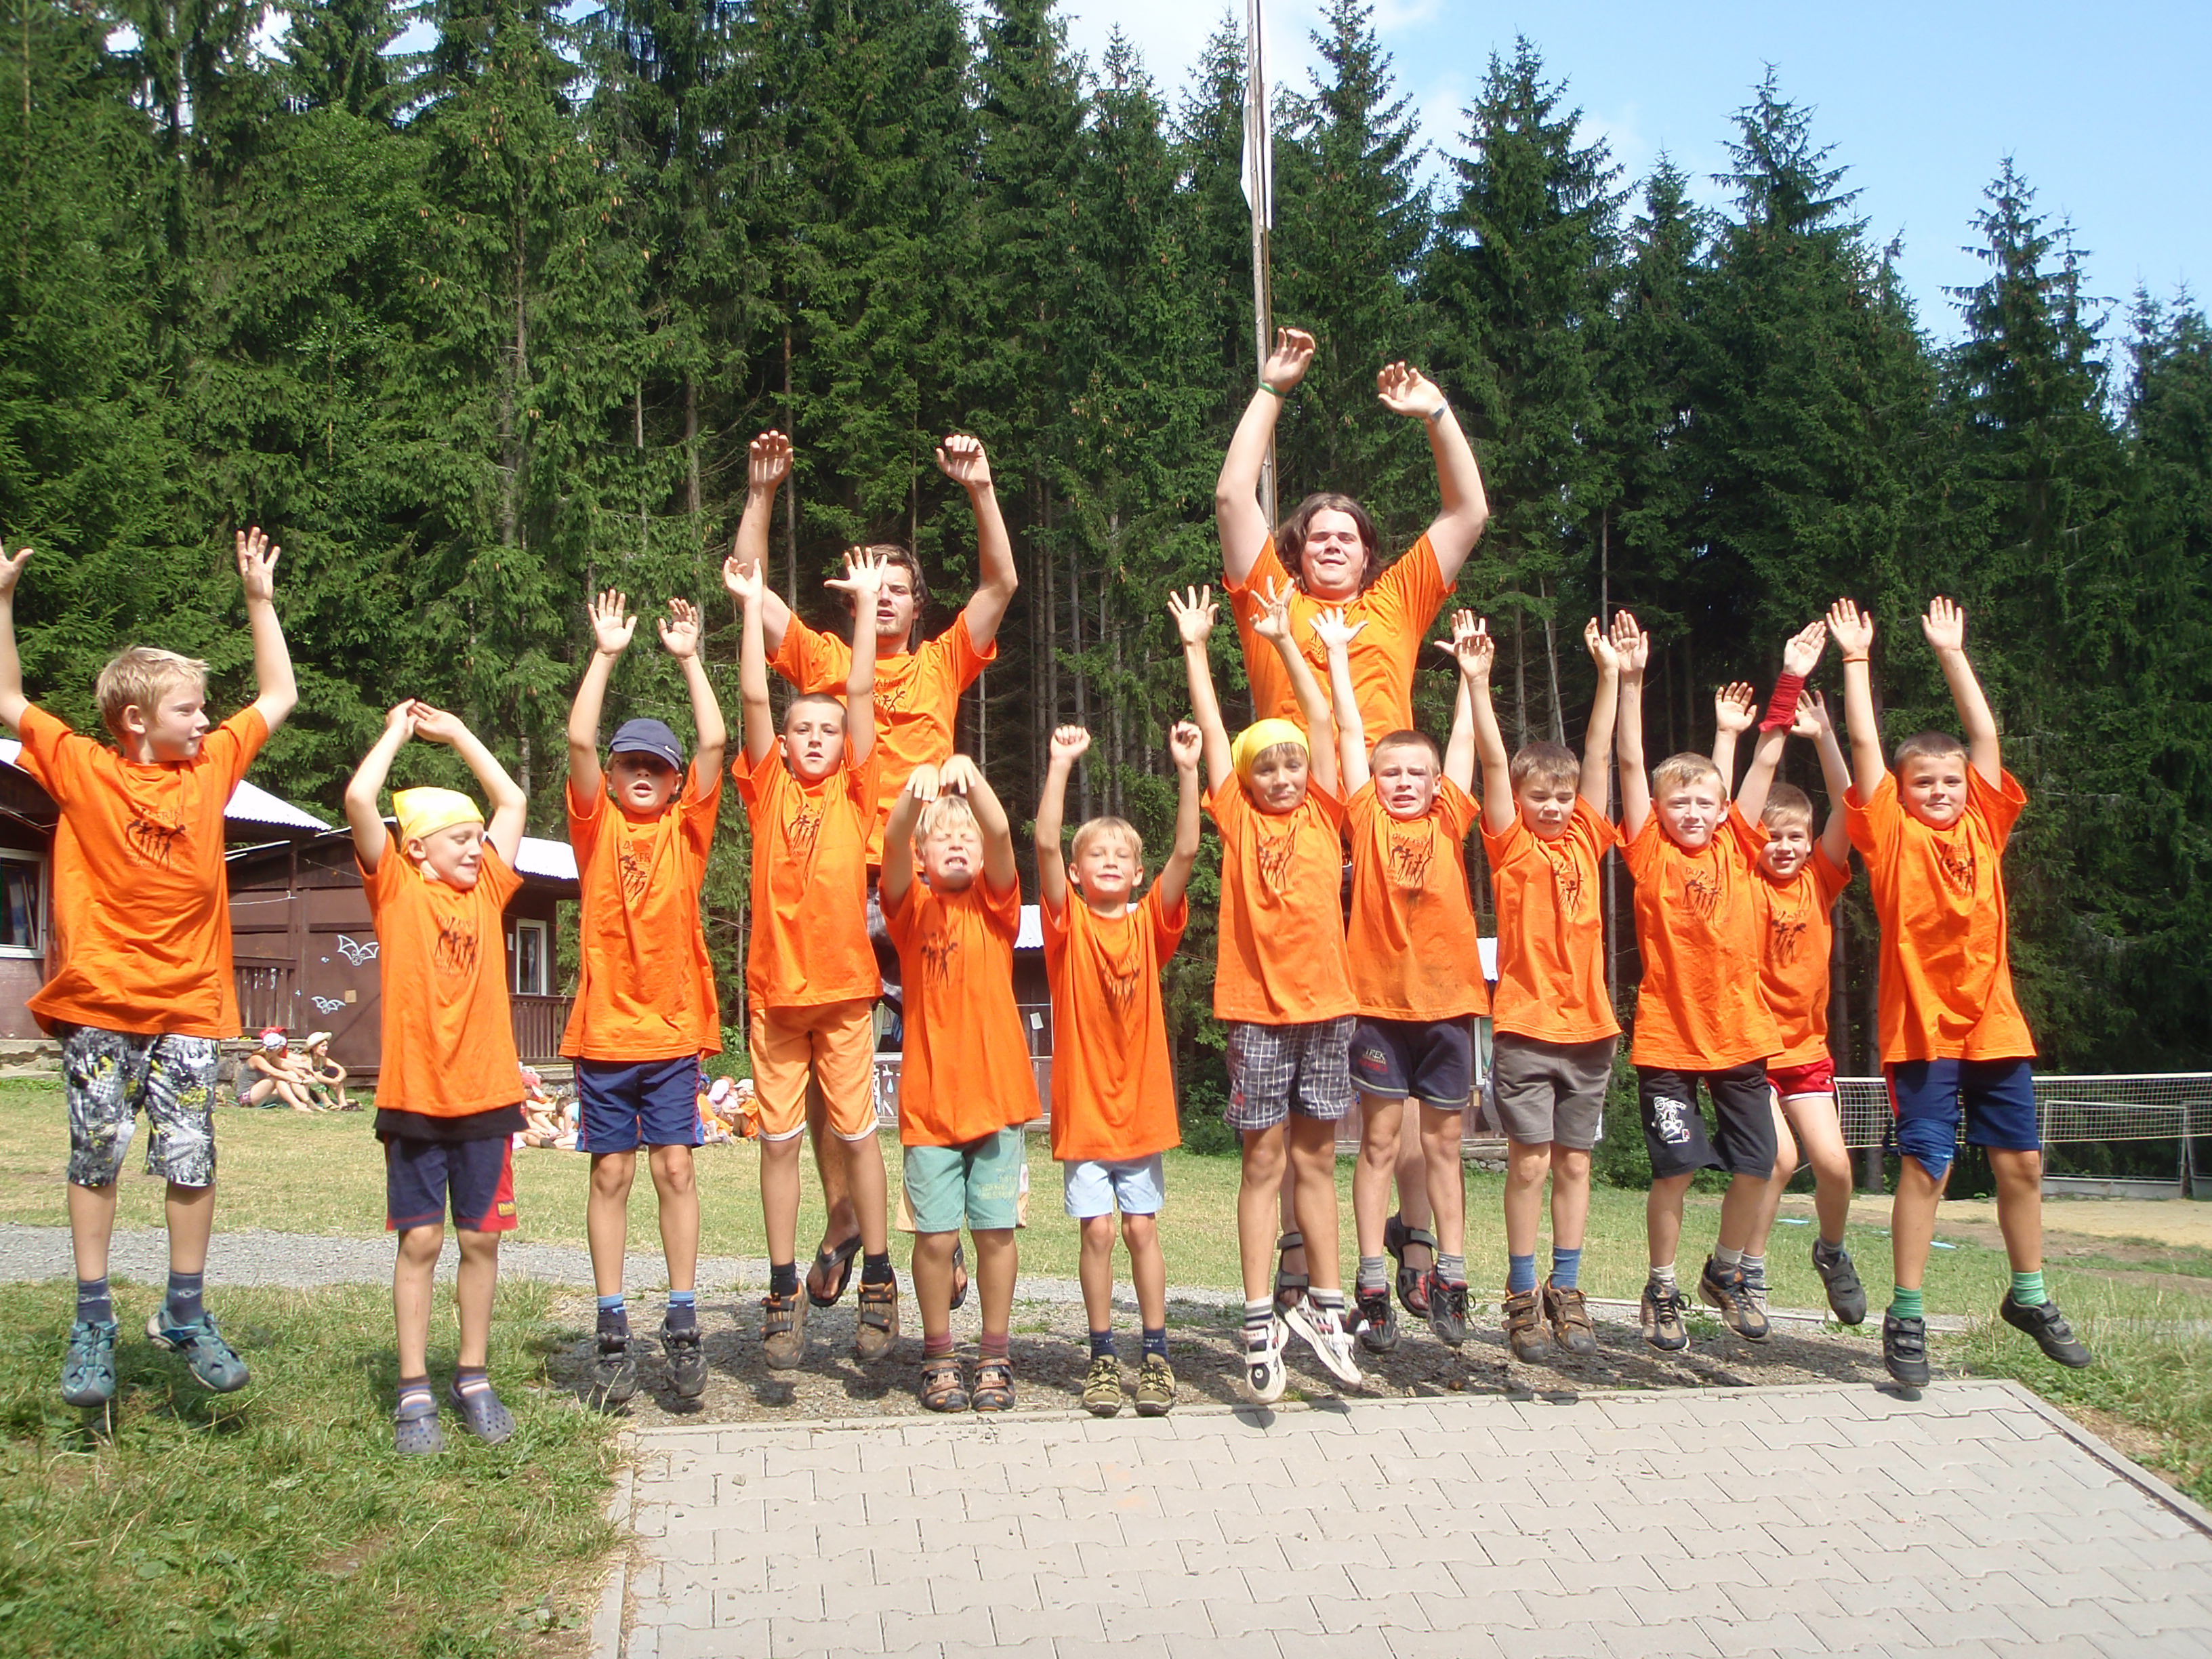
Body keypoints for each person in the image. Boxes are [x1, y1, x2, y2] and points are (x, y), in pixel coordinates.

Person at [1215, 330, 1490, 1317]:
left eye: (1348, 536)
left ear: (1370, 553)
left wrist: (1436, 414)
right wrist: (1270, 391)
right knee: (1297, 1053)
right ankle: (1301, 1248)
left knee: (1398, 1035)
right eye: (1317, 535)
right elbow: (1232, 498)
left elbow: (1467, 511)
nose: (1332, 544)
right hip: (1294, 842)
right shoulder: (1271, 603)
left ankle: (1410, 1239)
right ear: (1296, 552)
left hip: (1386, 838)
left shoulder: (1397, 603)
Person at [0, 531, 295, 1409]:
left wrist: (259, 600)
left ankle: (185, 1309)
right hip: (101, 1003)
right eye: (189, 709)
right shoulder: (83, 768)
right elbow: (9, 699)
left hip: (189, 1008)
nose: (205, 722)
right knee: (97, 1155)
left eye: (205, 710)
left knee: (192, 1157)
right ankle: (93, 1319)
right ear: (136, 720)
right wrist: (4, 600)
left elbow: (279, 694)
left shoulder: (211, 770)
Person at [726, 430, 1017, 1315]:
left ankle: (939, 1234)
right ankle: (847, 1214)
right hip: (835, 888)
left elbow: (1000, 584)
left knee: (944, 1054)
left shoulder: (941, 661)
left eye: (897, 588)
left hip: (926, 889)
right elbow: (746, 585)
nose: (882, 598)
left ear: (918, 606)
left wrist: (981, 489)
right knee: (828, 1079)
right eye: (870, 586)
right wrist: (761, 494)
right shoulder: (824, 658)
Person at [1827, 596, 2092, 1387]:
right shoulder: (1890, 834)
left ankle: (2029, 1296)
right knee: (1930, 1167)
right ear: (1903, 791)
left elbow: (1985, 738)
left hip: (1994, 1026)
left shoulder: (1985, 825)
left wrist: (1953, 653)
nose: (1940, 790)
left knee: (2024, 1165)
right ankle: (1906, 1314)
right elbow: (1866, 745)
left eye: (1950, 781)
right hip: (1923, 1032)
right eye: (1925, 782)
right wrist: (1856, 660)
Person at [1172, 581, 1363, 1404]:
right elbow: (1217, 732)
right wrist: (1196, 647)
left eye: (1292, 765)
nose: (1283, 776)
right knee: (1263, 1160)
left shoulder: (1325, 811)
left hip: (1329, 1009)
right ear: (1247, 780)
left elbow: (1322, 720)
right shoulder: (1238, 815)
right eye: (1268, 766)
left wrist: (1288, 641)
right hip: (1256, 1012)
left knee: (1316, 1160)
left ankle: (1325, 1306)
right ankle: (1257, 1317)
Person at [1616, 615, 1820, 1352]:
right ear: (1659, 811)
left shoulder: (1738, 844)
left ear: (1724, 808)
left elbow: (1766, 756)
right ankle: (1661, 1286)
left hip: (1739, 1036)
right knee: (1676, 1169)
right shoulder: (1649, 851)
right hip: (1670, 1040)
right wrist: (1631, 680)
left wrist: (1790, 677)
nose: (1695, 812)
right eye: (1681, 802)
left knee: (1760, 1164)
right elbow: (1630, 762)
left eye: (1706, 801)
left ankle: (1725, 1271)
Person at [729, 551, 900, 1372]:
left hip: (842, 994)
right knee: (778, 1143)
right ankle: (781, 1286)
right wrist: (746, 608)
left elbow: (860, 693)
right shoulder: (766, 786)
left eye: (827, 730)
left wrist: (864, 608)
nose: (817, 738)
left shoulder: (856, 790)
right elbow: (754, 696)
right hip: (777, 997)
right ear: (786, 741)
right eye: (803, 729)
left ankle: (879, 1276)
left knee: (860, 1137)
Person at [344, 699, 530, 1454]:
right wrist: (395, 731)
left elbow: (511, 801)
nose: (477, 846)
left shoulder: (488, 889)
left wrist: (457, 735)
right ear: (416, 848)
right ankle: (414, 1387)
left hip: (488, 1100)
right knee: (420, 1242)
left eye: (478, 838)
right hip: (415, 1100)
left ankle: (473, 1376)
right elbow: (360, 799)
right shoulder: (395, 887)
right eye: (461, 838)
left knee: (480, 1242)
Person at [562, 588, 726, 1407]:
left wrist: (691, 659)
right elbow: (578, 739)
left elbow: (715, 740)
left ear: (672, 782)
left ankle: (684, 1318)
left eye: (656, 768)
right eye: (631, 765)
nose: (642, 777)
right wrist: (605, 654)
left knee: (675, 1169)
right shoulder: (595, 829)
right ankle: (611, 1325)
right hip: (604, 1034)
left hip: (670, 1032)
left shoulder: (686, 834)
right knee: (611, 1176)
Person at [1313, 605, 1488, 1354]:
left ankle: (1452, 1275)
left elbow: (1465, 745)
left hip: (1448, 1007)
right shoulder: (1366, 818)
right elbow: (1350, 732)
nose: (1405, 782)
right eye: (1393, 773)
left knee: (1445, 1148)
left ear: (1437, 784)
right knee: (1379, 1145)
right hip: (1379, 1008)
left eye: (1418, 773)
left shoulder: (1449, 819)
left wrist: (1472, 680)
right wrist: (1338, 657)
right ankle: (1371, 1281)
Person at [1465, 609, 1623, 1361]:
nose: (1554, 806)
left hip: (1590, 1030)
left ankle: (1568, 1288)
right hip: (1526, 1027)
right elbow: (1495, 765)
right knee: (1528, 1162)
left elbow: (1600, 752)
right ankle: (1522, 1293)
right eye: (1541, 797)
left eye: (1563, 796)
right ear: (1522, 804)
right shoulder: (1511, 848)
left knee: (1576, 1162)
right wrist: (1478, 683)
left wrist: (1609, 675)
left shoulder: (1589, 836)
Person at [1035, 721, 1202, 1418]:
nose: (1109, 860)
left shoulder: (1148, 925)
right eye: (1095, 853)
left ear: (1137, 874)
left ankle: (1156, 1354)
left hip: (1140, 1110)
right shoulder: (1065, 925)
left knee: (1140, 1230)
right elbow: (1046, 842)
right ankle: (1102, 1355)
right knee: (1098, 1232)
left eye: (1122, 854)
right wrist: (1060, 764)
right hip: (1084, 1112)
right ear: (1077, 874)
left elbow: (1187, 850)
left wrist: (1187, 770)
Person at [880, 756, 1034, 1412]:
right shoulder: (909, 909)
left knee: (995, 1234)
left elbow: (999, 832)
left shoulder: (997, 906)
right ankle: (939, 1354)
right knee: (936, 1239)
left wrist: (972, 778)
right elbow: (892, 844)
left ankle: (994, 1354)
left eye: (964, 836)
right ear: (923, 855)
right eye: (942, 836)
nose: (958, 843)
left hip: (998, 1101)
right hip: (930, 1106)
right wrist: (912, 802)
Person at [1711, 682, 1868, 1326]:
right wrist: (1760, 722)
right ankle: (1746, 1272)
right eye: (1773, 836)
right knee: (1775, 1159)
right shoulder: (1742, 878)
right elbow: (1729, 816)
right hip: (1752, 1049)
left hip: (1805, 1051)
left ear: (1809, 841)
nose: (1784, 846)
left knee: (1834, 1166)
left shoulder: (1821, 878)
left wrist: (1825, 735)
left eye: (1795, 836)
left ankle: (1831, 1252)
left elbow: (1850, 807)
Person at [241, 1030, 319, 1111]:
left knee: (291, 1074)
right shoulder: (257, 1059)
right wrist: (301, 1082)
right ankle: (297, 1105)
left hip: (263, 1096)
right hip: (246, 1098)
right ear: (278, 1049)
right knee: (277, 1078)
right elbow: (276, 1073)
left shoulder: (272, 1058)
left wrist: (306, 1077)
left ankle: (309, 1103)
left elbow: (290, 1068)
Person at [300, 1031, 350, 1111]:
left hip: (319, 1090)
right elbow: (314, 1076)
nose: (326, 1049)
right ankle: (327, 1103)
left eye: (326, 1046)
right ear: (314, 1048)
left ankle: (343, 1104)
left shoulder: (323, 1059)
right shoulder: (306, 1058)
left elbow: (341, 1070)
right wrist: (333, 1081)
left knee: (335, 1072)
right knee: (314, 1078)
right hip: (307, 1092)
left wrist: (338, 1079)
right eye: (323, 1046)